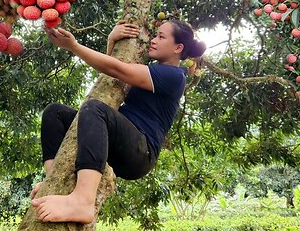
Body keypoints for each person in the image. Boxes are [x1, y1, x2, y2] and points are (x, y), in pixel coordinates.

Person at [28, 20, 205, 223]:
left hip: (140, 152)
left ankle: (83, 202)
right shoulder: (152, 71)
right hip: (116, 139)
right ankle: (53, 181)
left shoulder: (174, 76)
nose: (154, 41)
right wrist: (112, 40)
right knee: (55, 113)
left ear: (178, 48)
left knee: (94, 108)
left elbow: (117, 70)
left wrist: (73, 46)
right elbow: (111, 81)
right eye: (155, 35)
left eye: (161, 37)